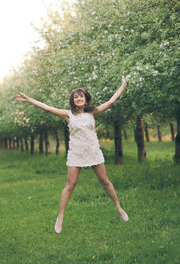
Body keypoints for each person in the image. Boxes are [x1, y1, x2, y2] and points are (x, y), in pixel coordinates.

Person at [14, 75, 129, 233]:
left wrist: (123, 85)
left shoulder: (92, 112)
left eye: (81, 96)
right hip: (76, 153)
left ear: (86, 99)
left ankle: (118, 207)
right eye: (76, 96)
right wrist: (28, 99)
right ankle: (60, 216)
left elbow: (111, 101)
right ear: (72, 100)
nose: (79, 98)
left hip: (93, 151)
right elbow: (46, 107)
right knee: (70, 186)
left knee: (105, 181)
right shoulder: (68, 114)